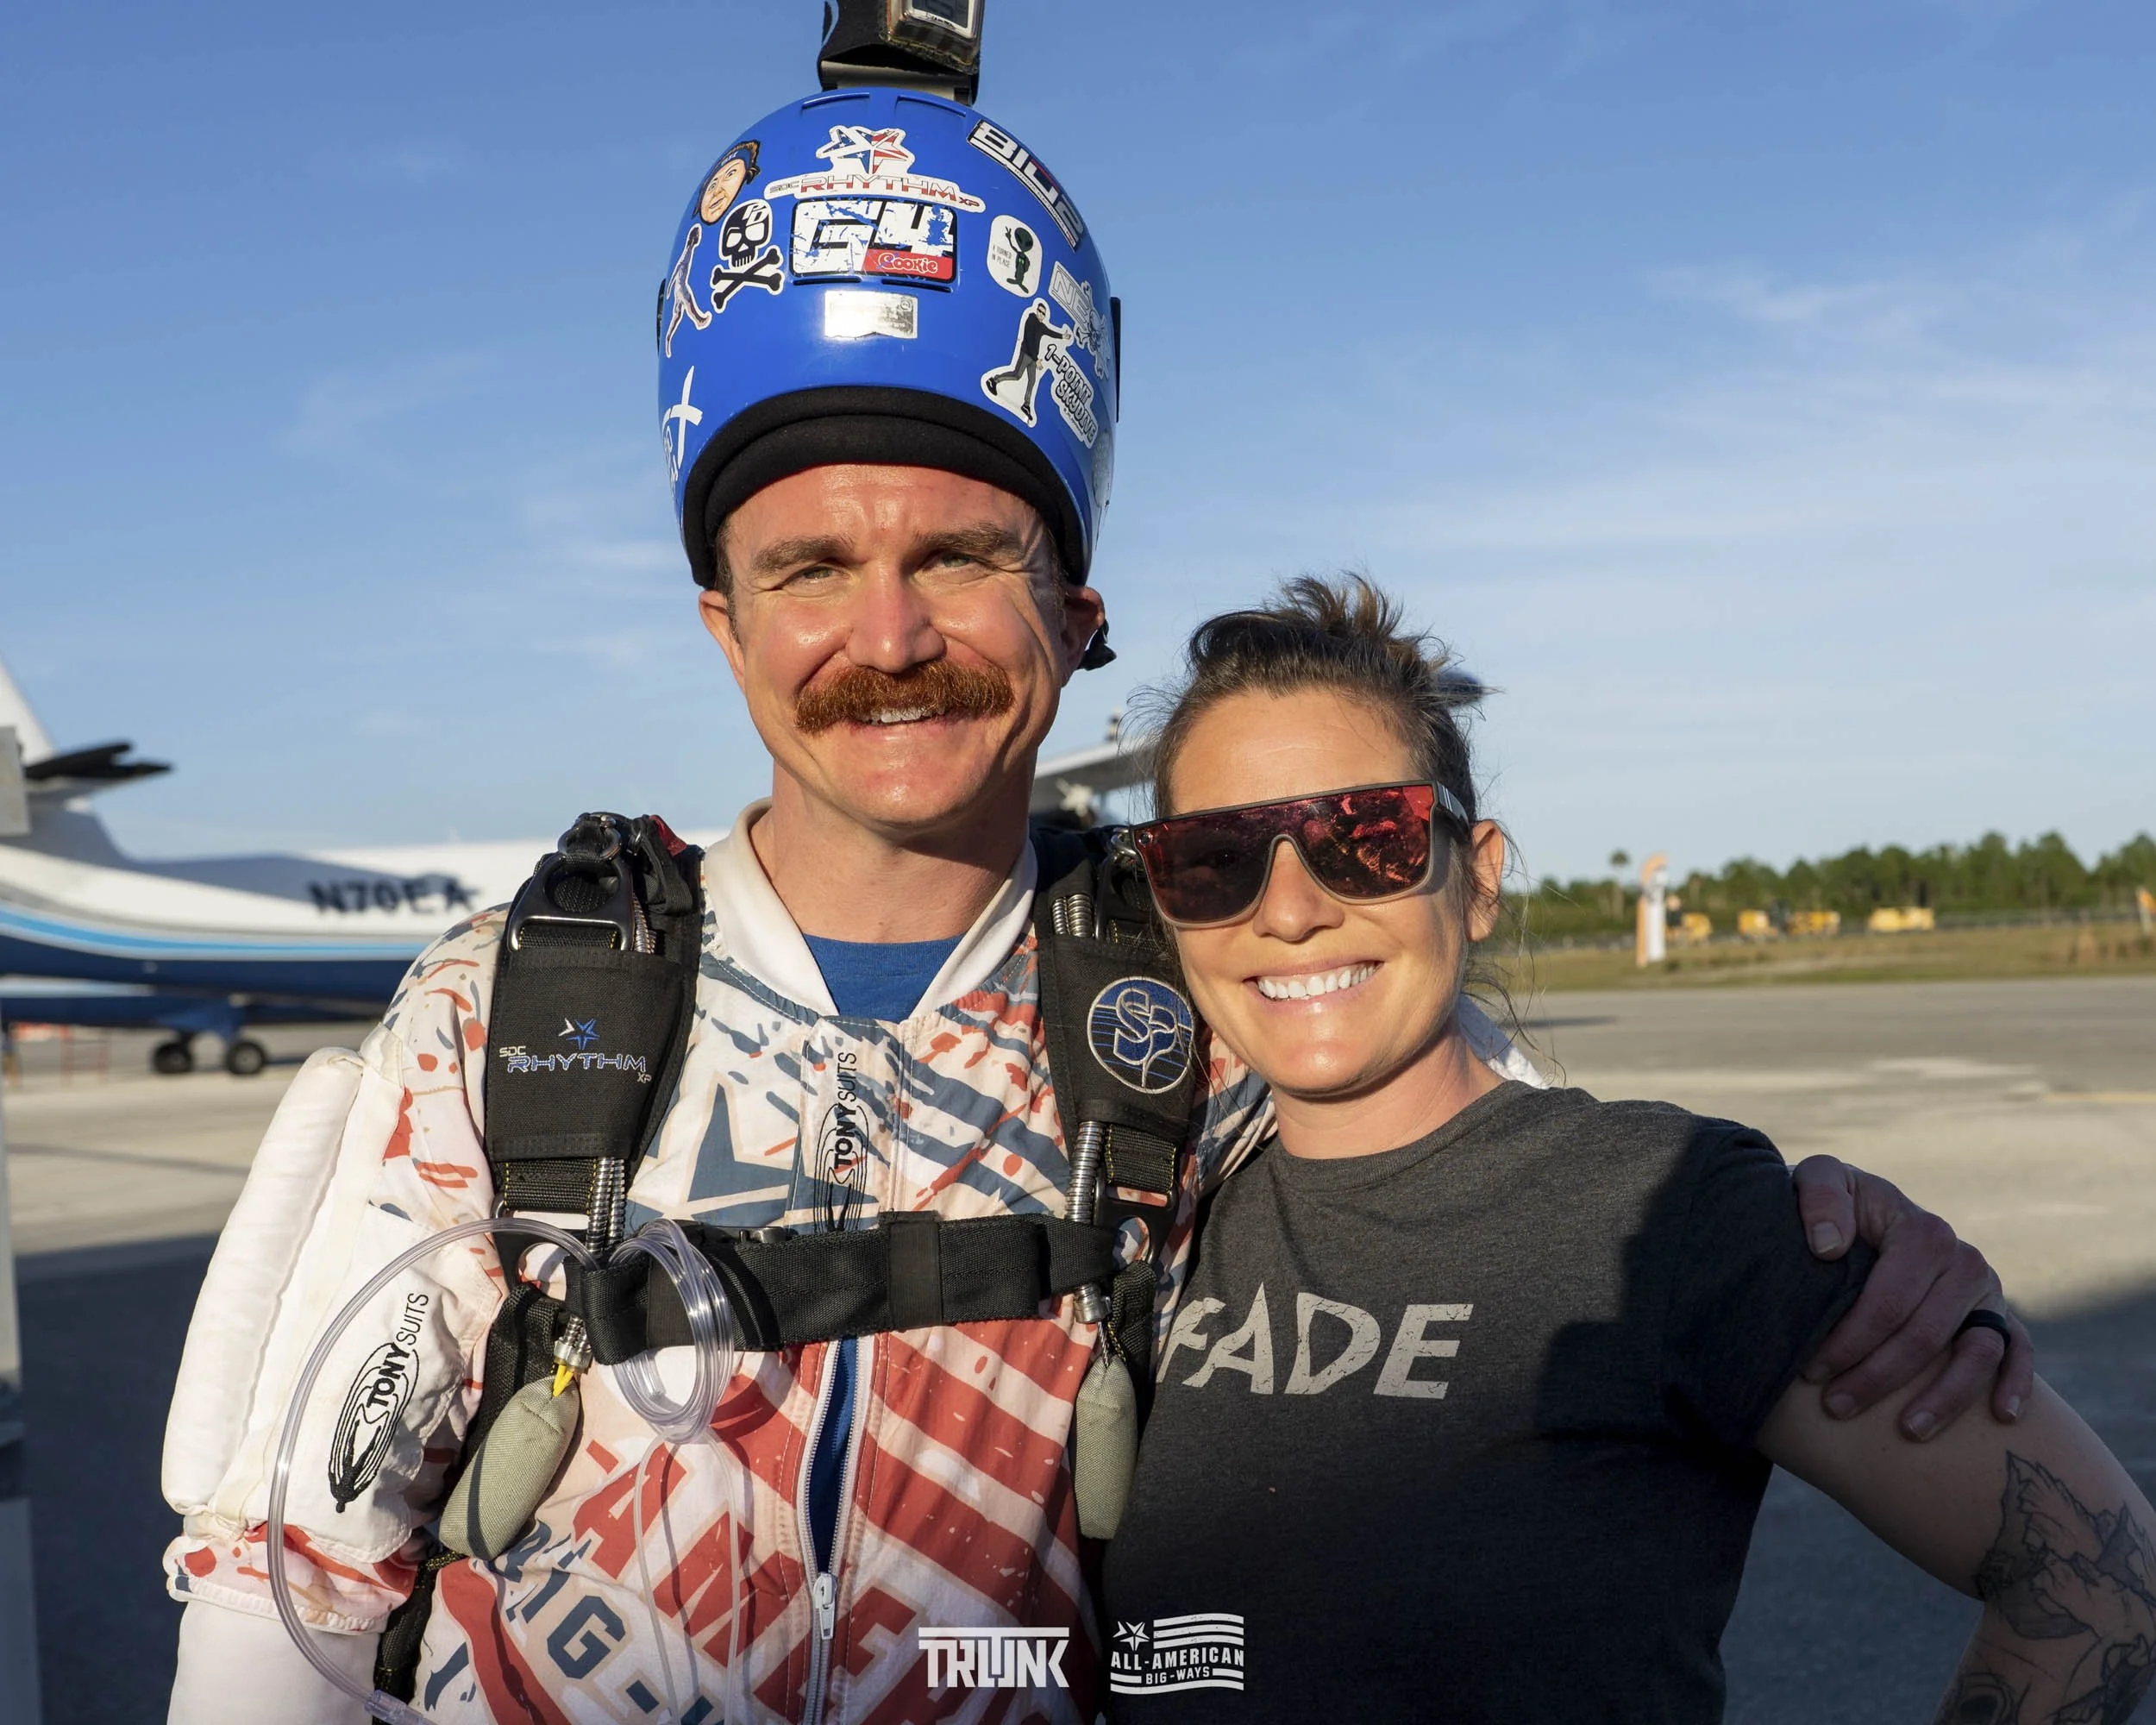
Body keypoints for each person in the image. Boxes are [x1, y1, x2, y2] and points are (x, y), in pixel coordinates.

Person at [159, 66, 2023, 1725]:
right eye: (806, 566)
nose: (884, 639)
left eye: (960, 553)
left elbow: (1537, 1206)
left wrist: (1836, 1262)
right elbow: (288, 1605)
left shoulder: (1204, 976)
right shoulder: (508, 1019)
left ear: (1072, 611)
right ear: (720, 622)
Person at [1101, 576, 2153, 1724]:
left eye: (1366, 839)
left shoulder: (1666, 1211)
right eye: (1211, 859)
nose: (1289, 909)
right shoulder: (1148, 1214)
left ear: (1481, 874)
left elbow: (2104, 1586)